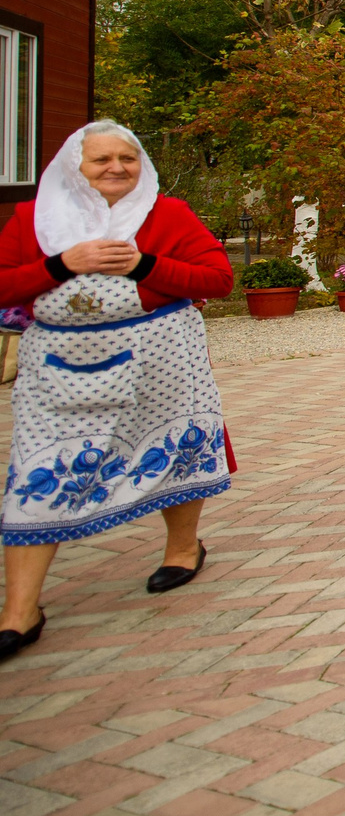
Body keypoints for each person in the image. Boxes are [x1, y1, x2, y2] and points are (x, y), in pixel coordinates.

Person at [0, 123, 237, 661]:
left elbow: (217, 279)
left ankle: (181, 549)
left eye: (127, 158)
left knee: (176, 448)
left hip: (160, 360)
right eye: (101, 159)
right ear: (73, 167)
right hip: (60, 369)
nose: (115, 168)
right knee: (36, 472)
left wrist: (144, 265)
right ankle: (20, 612)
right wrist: (62, 264)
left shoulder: (167, 215)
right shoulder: (31, 219)